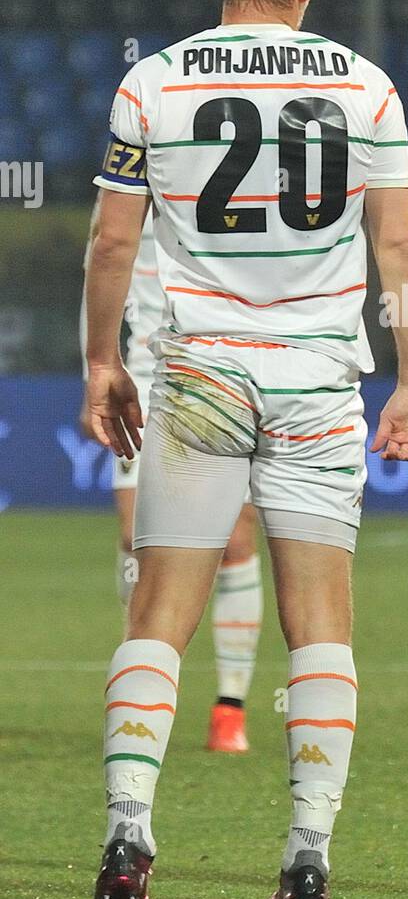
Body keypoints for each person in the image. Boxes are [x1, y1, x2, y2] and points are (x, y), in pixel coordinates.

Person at [85, 0, 408, 899]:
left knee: (157, 612)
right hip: (318, 381)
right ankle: (306, 855)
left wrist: (103, 362)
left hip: (195, 376)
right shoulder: (367, 88)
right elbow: (399, 245)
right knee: (318, 619)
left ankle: (126, 835)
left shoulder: (150, 83)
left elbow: (112, 242)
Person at [80, 205, 263, 753]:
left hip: (226, 364)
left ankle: (230, 708)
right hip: (143, 371)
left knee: (233, 541)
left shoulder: (242, 173)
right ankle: (138, 690)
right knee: (135, 535)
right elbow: (101, 260)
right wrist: (94, 369)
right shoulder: (135, 169)